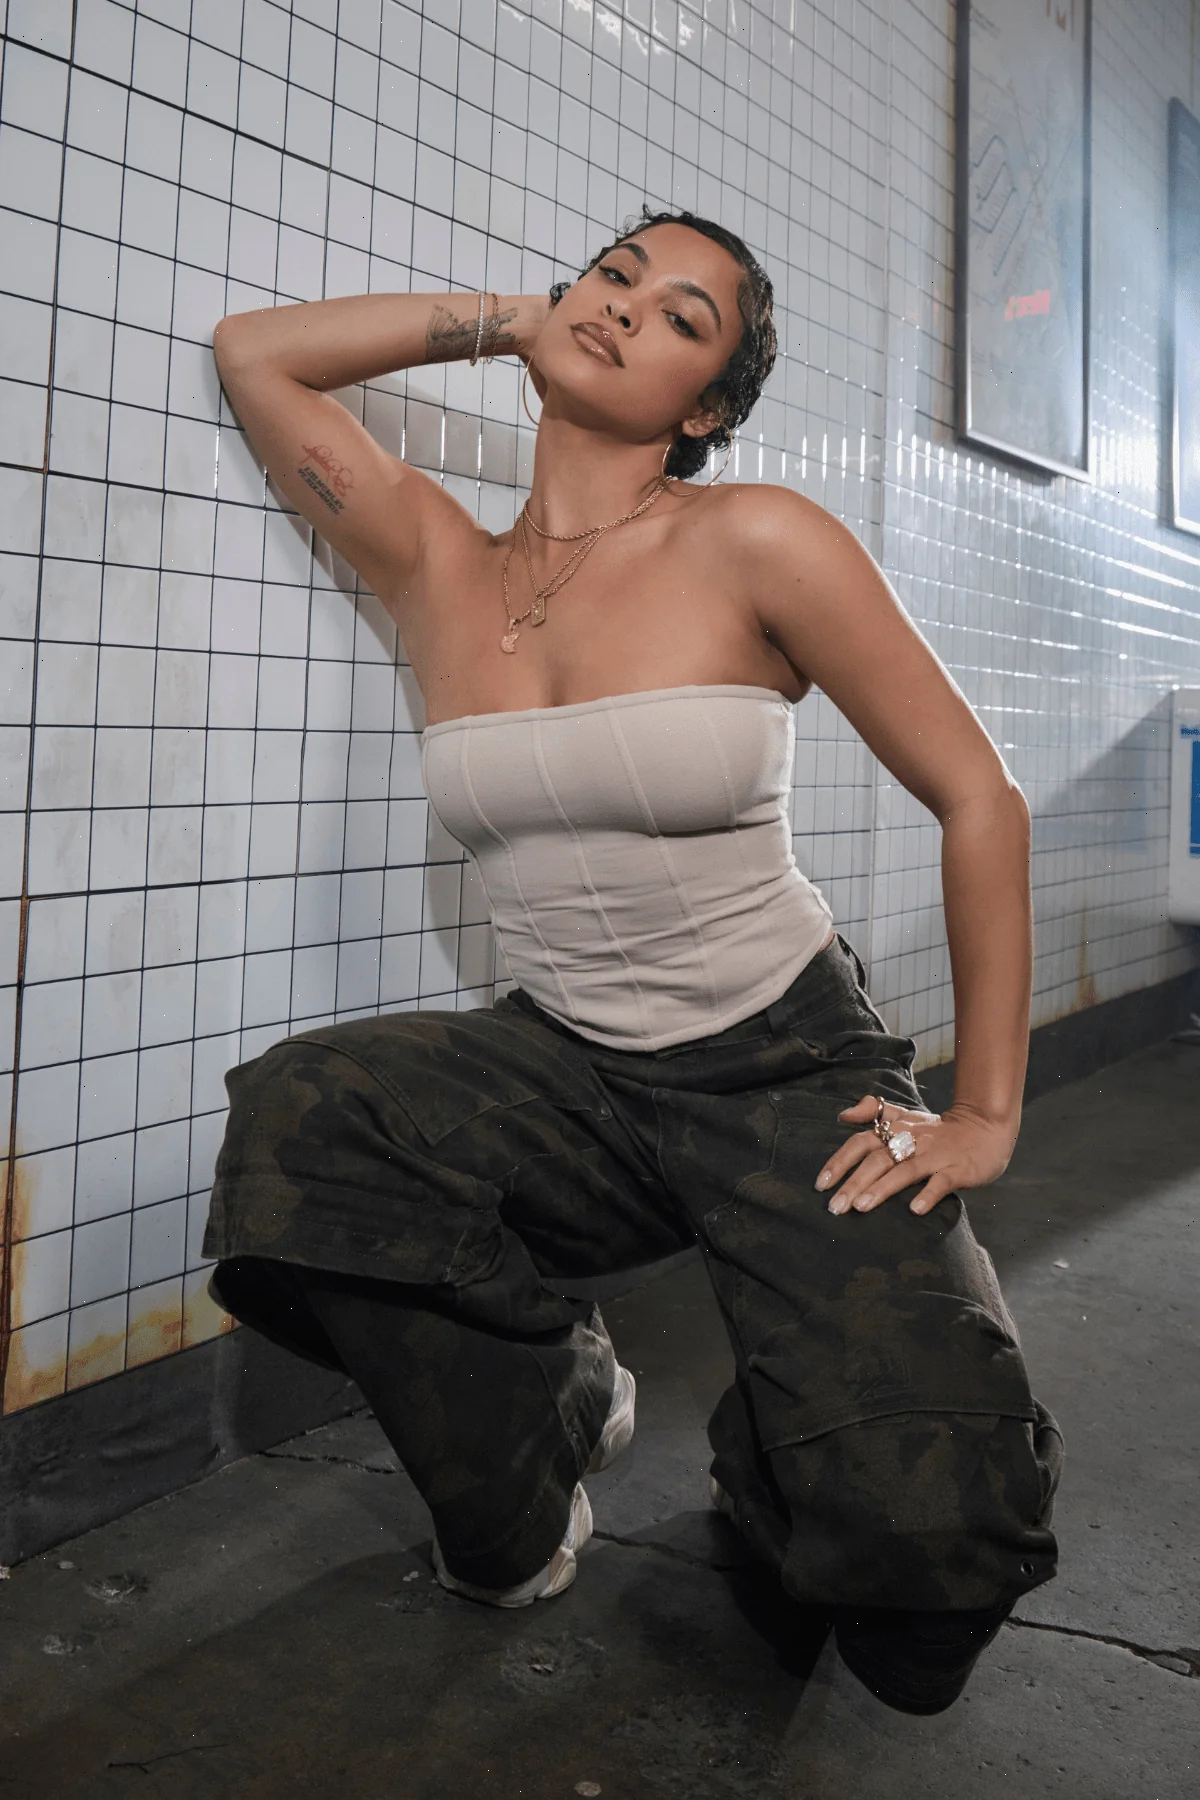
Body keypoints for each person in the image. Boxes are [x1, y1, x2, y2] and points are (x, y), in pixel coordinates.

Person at [203, 207, 1061, 1716]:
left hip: (787, 1069)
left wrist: (985, 1111)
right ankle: (551, 1421)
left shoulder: (757, 540)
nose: (622, 309)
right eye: (611, 278)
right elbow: (255, 355)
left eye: (680, 316)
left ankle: (777, 1460)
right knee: (306, 1117)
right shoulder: (437, 561)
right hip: (572, 1068)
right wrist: (501, 318)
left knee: (927, 1583)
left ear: (707, 410)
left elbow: (978, 796)